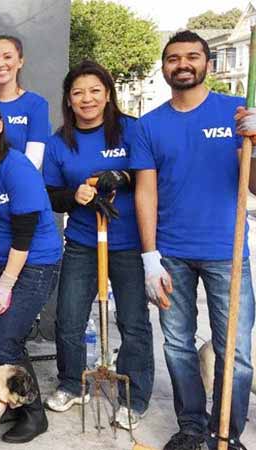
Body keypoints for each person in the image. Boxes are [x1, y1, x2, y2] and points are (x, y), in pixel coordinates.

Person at [131, 30, 254, 450]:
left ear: (207, 63)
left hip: (226, 252)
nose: (182, 64)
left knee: (235, 350)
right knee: (177, 345)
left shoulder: (235, 112)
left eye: (192, 56)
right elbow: (145, 192)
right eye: (173, 58)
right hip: (171, 255)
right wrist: (150, 257)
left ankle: (226, 434)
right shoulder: (149, 125)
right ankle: (191, 427)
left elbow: (253, 185)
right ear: (164, 67)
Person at [41, 60, 154, 430]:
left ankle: (134, 396)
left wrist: (120, 176)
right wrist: (75, 196)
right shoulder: (59, 143)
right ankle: (72, 384)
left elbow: (148, 174)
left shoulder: (131, 130)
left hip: (130, 243)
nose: (86, 99)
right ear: (68, 100)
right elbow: (51, 195)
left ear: (107, 95)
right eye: (78, 93)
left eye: (94, 91)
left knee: (133, 322)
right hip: (82, 242)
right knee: (69, 318)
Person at [0, 97, 61, 443]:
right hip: (1, 264)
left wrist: (5, 283)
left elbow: (24, 232)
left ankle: (34, 414)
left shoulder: (17, 167)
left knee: (5, 341)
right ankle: (9, 401)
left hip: (35, 263)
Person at [0, 35, 50, 169]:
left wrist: (8, 178)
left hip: (21, 179)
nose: (0, 64)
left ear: (20, 62)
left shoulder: (36, 104)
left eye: (7, 57)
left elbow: (34, 160)